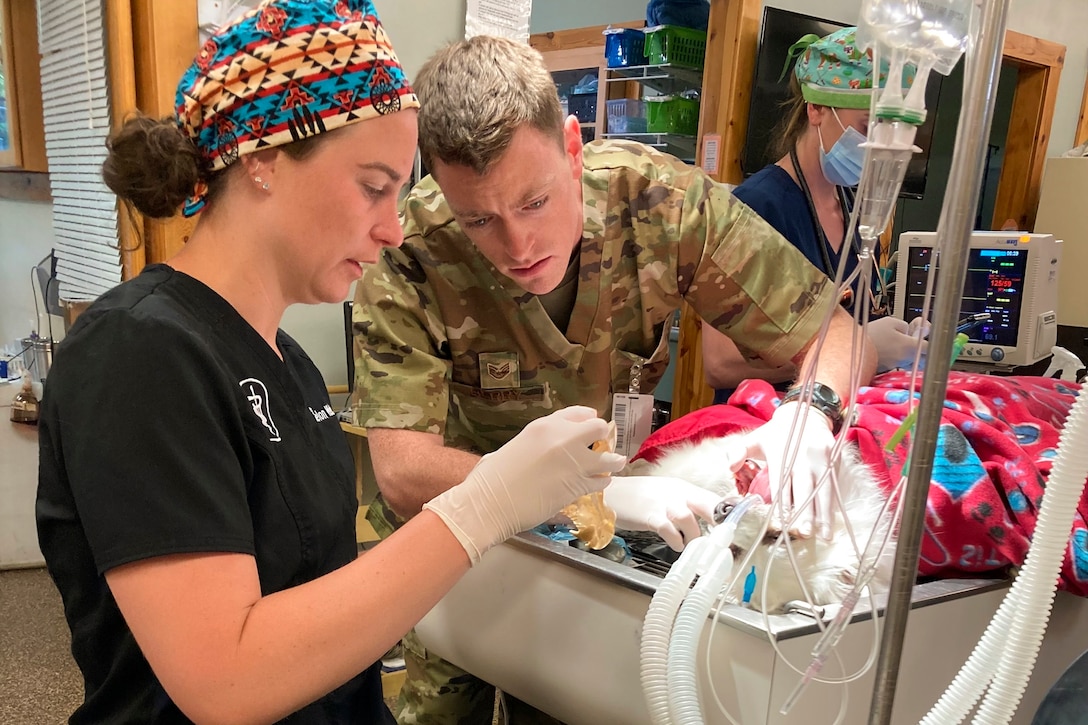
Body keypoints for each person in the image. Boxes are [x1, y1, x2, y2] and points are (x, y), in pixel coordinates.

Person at [34, 4, 625, 723]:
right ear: (262, 160)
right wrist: (486, 501)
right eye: (374, 186)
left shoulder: (291, 370)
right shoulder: (139, 352)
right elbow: (225, 678)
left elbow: (331, 624)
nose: (393, 226)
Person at [351, 34, 876, 724]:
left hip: (596, 549)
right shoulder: (409, 252)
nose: (518, 246)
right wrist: (585, 498)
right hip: (457, 542)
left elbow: (834, 332)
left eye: (535, 202)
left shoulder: (658, 202)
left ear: (572, 147)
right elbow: (403, 469)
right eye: (479, 218)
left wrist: (809, 414)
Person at [701, 27, 927, 404]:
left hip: (834, 418)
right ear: (817, 109)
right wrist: (860, 348)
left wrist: (897, 340)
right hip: (764, 428)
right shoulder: (756, 207)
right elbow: (720, 364)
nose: (878, 147)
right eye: (868, 127)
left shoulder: (852, 208)